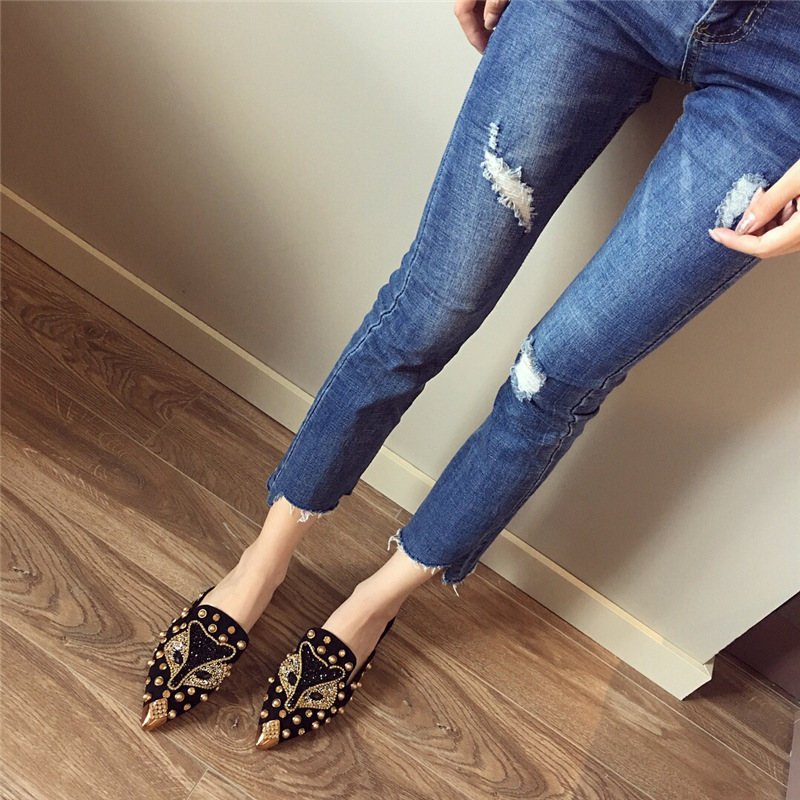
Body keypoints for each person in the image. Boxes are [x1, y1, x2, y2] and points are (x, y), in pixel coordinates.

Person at [140, 0, 800, 747]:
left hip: (786, 75)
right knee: (430, 306)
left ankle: (375, 604)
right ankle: (261, 563)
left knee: (555, 378)